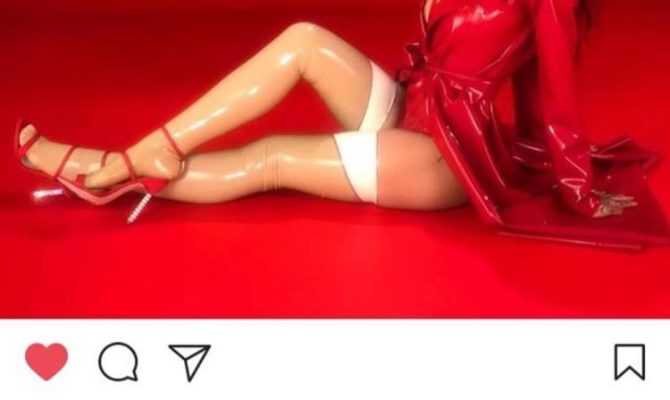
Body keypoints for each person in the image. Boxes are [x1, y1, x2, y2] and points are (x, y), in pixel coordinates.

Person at [15, 0, 669, 248]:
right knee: (304, 38)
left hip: (443, 154)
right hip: (413, 103)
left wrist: (577, 187)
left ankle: (114, 169)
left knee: (272, 157)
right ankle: (150, 152)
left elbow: (549, 100)